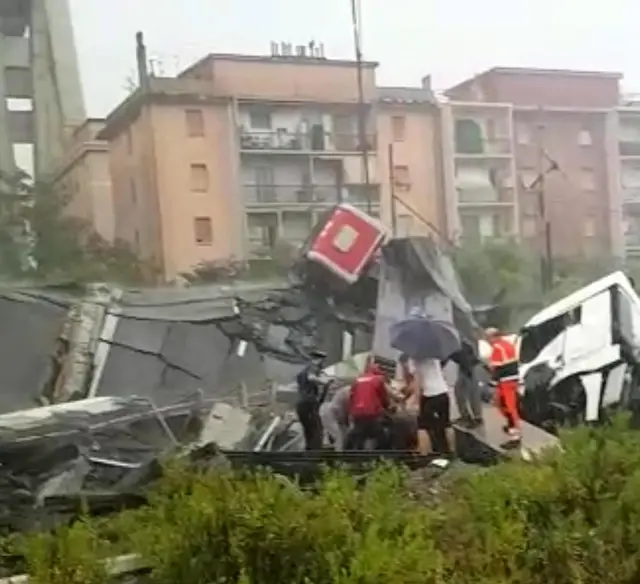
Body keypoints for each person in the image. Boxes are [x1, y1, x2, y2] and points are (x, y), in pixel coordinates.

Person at [408, 356, 455, 455]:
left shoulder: (414, 359)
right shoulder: (434, 355)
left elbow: (418, 383)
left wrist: (416, 402)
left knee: (422, 426)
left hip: (429, 395)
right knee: (446, 423)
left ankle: (425, 454)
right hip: (443, 393)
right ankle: (452, 452)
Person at [485, 327, 521, 442]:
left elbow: (495, 368)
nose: (487, 341)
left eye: (488, 338)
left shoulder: (497, 348)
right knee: (504, 404)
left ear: (494, 337)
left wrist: (492, 382)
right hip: (512, 379)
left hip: (505, 381)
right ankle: (512, 426)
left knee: (507, 407)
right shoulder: (508, 345)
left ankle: (515, 435)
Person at [347, 359, 389, 450]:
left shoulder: (357, 379)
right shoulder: (378, 379)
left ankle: (353, 456)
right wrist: (387, 407)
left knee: (359, 436)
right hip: (371, 412)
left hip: (357, 412)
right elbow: (384, 397)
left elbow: (351, 396)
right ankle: (385, 456)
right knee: (380, 435)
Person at [446, 340, 484, 428]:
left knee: (472, 393)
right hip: (462, 367)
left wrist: (469, 372)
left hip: (469, 367)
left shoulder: (459, 343)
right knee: (459, 392)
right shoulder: (450, 344)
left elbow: (465, 357)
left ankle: (477, 418)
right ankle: (465, 416)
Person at [295, 350, 328, 450]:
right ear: (318, 360)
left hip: (301, 404)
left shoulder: (302, 372)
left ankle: (308, 454)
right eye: (322, 361)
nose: (323, 363)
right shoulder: (313, 367)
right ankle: (314, 456)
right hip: (309, 403)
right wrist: (324, 381)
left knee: (308, 431)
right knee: (316, 431)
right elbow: (311, 377)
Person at [319, 384, 350, 451]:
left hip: (329, 411)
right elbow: (342, 412)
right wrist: (345, 422)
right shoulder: (347, 393)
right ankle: (339, 456)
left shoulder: (346, 390)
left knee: (339, 435)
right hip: (329, 413)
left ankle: (338, 451)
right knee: (338, 436)